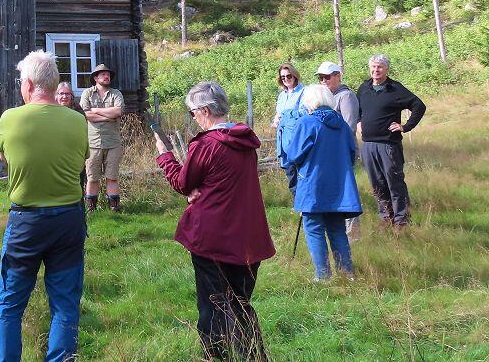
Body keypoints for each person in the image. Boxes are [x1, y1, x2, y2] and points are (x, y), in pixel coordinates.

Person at [155, 81, 274, 361]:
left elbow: (182, 183)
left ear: (207, 110)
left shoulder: (206, 145)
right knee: (241, 304)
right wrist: (201, 192)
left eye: (193, 112)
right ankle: (254, 356)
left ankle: (216, 356)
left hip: (214, 239)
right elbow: (220, 183)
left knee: (213, 307)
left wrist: (164, 156)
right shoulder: (245, 141)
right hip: (247, 238)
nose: (193, 117)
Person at [0, 51, 89, 362]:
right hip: (69, 219)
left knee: (9, 305)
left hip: (26, 221)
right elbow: (82, 160)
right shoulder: (77, 120)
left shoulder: (10, 117)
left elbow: (5, 157)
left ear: (30, 84)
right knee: (65, 302)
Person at [281, 84, 363, 282]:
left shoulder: (307, 123)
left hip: (313, 185)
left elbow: (293, 155)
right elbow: (352, 153)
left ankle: (323, 276)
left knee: (314, 228)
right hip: (339, 186)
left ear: (310, 103)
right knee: (337, 229)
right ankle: (346, 274)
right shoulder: (342, 125)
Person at [356, 54, 426, 228]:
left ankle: (402, 221)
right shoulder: (364, 88)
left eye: (379, 67)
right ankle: (386, 217)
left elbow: (419, 105)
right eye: (373, 67)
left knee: (394, 182)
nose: (376, 70)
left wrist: (405, 126)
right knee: (377, 183)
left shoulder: (395, 89)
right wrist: (358, 122)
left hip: (388, 145)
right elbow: (357, 108)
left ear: (387, 69)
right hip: (368, 145)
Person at [316, 61, 362, 238]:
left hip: (342, 151)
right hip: (331, 153)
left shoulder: (346, 96)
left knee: (346, 189)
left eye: (327, 77)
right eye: (321, 78)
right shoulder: (328, 96)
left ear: (337, 76)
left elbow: (349, 127)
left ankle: (353, 233)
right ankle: (338, 229)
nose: (324, 81)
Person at [80, 64, 125, 212]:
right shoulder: (87, 93)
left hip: (113, 143)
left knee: (112, 177)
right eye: (103, 74)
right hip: (92, 143)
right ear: (95, 78)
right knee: (92, 177)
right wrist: (107, 115)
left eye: (108, 74)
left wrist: (95, 110)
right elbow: (85, 114)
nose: (107, 77)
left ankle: (114, 209)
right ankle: (91, 209)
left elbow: (118, 112)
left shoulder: (116, 94)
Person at [271, 62, 306, 197]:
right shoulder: (282, 95)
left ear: (295, 75)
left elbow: (303, 114)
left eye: (288, 76)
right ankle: (296, 202)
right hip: (282, 138)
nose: (286, 79)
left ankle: (305, 204)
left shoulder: (303, 92)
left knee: (300, 171)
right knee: (289, 171)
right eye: (283, 77)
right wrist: (276, 120)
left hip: (296, 138)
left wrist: (287, 116)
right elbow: (278, 114)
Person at [55, 82, 87, 193]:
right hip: (56, 154)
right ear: (56, 95)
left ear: (71, 96)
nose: (64, 97)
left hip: (74, 153)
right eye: (61, 93)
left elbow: (83, 133)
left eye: (67, 94)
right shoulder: (51, 111)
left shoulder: (78, 111)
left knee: (77, 185)